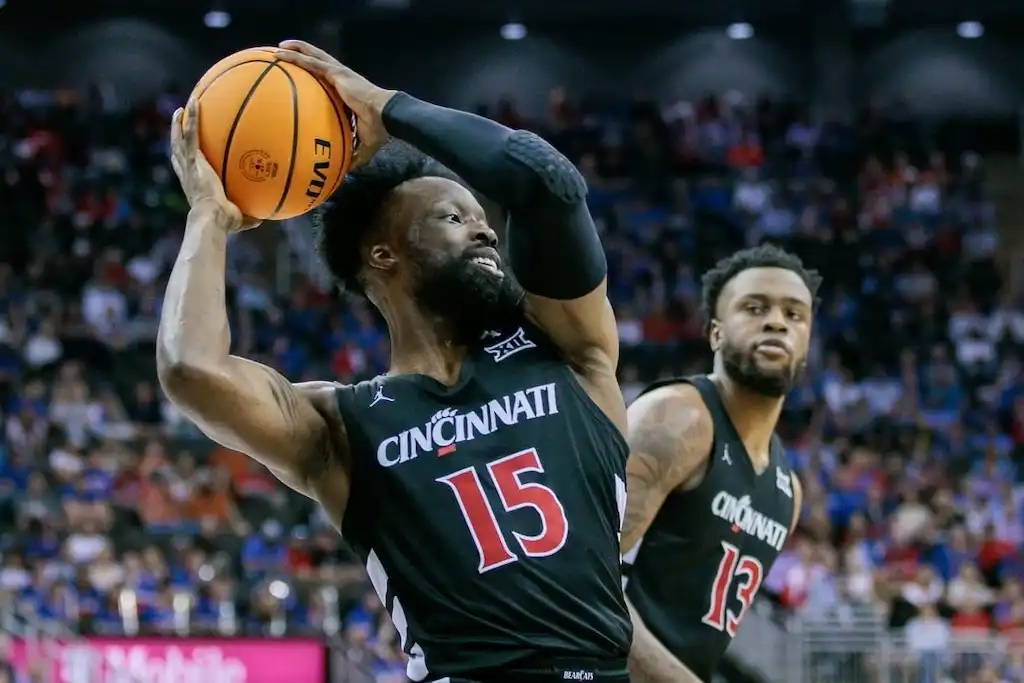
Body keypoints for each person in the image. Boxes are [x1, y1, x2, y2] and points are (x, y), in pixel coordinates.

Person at [159, 40, 631, 683]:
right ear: (384, 256)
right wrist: (210, 217)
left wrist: (389, 108)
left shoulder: (568, 348)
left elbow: (549, 184)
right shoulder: (342, 426)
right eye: (453, 217)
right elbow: (192, 370)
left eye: (481, 217)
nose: (487, 230)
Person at [619, 245, 816, 682]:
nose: (776, 322)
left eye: (794, 314)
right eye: (755, 307)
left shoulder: (789, 490)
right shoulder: (677, 419)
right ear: (715, 333)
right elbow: (578, 578)